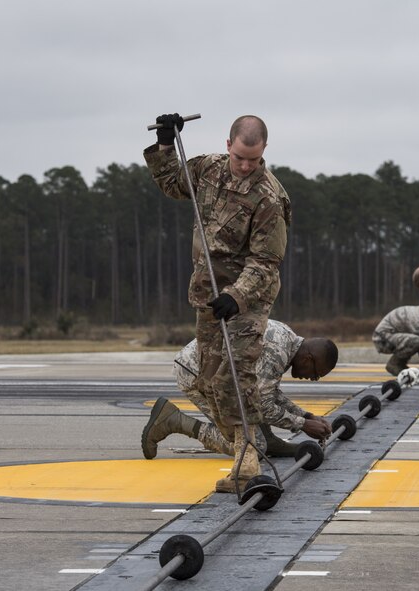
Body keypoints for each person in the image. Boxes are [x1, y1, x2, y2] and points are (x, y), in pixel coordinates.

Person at [144, 114, 291, 493]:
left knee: (234, 376)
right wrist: (164, 143)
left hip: (247, 298)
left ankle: (247, 465)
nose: (245, 166)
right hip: (209, 293)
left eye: (253, 160)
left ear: (263, 153)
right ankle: (244, 449)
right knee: (209, 378)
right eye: (240, 157)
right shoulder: (208, 169)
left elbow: (266, 262)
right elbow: (172, 183)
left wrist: (237, 295)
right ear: (229, 146)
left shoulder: (270, 197)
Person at [141, 321, 336, 470]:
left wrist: (306, 416)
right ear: (308, 359)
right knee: (252, 446)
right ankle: (173, 421)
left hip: (218, 375)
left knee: (255, 421)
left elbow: (267, 392)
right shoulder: (278, 351)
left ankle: (270, 442)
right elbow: (263, 406)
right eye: (316, 374)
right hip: (199, 375)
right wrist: (303, 424)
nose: (313, 379)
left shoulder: (288, 340)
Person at [372, 305, 419, 375]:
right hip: (382, 339)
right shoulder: (416, 318)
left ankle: (401, 364)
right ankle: (394, 364)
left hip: (390, 336)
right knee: (416, 341)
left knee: (415, 341)